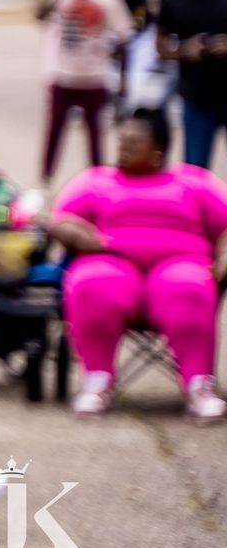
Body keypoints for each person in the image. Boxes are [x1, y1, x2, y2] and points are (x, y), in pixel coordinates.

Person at [49, 108, 227, 422]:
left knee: (190, 284)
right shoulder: (95, 181)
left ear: (158, 151)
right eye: (121, 141)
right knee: (92, 281)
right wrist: (74, 232)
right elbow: (60, 220)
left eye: (134, 142)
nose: (123, 147)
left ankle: (200, 386)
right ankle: (98, 380)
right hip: (112, 262)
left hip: (180, 264)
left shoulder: (195, 182)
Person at [38, 0, 136, 186]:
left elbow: (123, 37)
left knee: (94, 133)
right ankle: (46, 179)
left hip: (93, 76)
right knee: (54, 131)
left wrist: (123, 78)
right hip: (64, 74)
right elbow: (41, 15)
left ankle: (99, 180)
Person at [158, 0, 227, 172]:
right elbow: (160, 47)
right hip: (197, 98)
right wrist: (184, 50)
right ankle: (199, 209)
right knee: (195, 169)